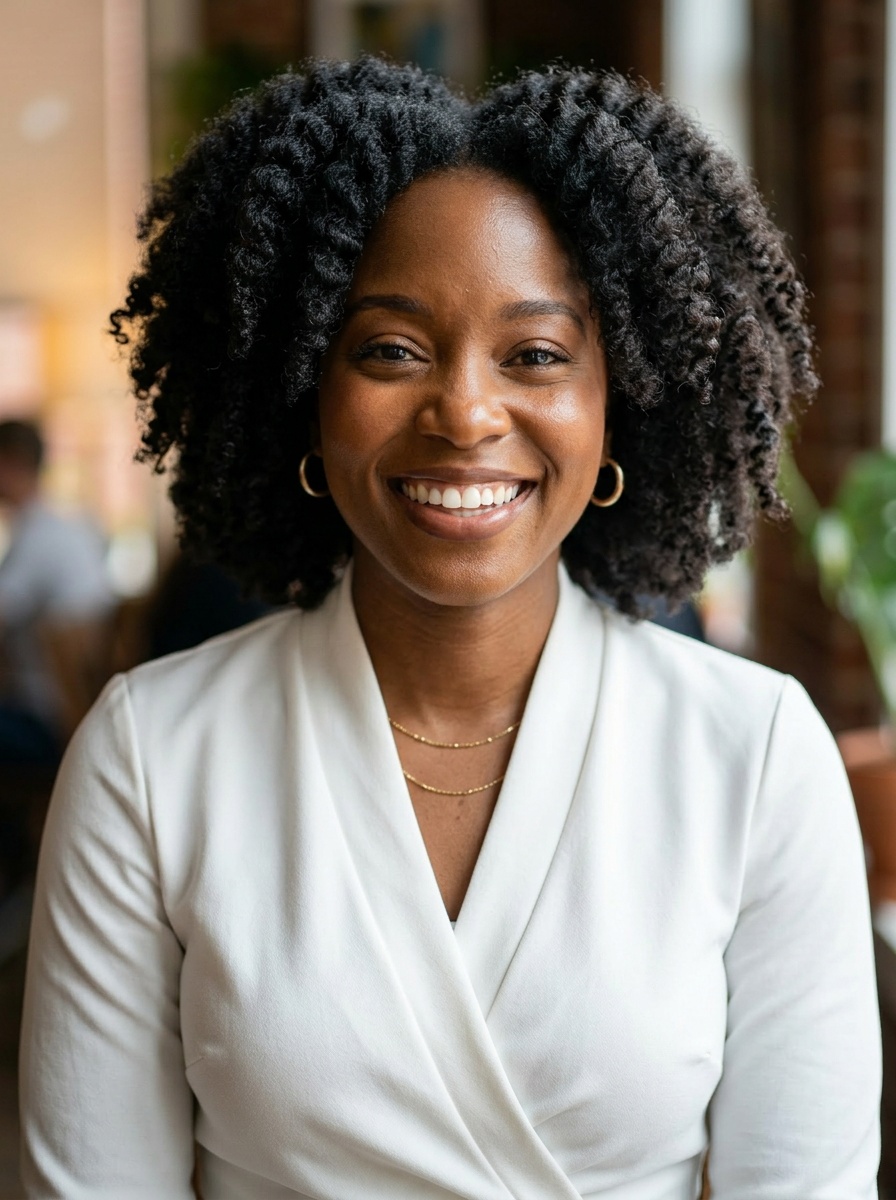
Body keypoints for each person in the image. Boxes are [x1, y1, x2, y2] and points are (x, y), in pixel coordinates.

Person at [19, 58, 880, 1198]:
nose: (465, 412)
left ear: (615, 398)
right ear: (301, 391)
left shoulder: (754, 754)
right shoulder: (151, 757)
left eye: (534, 355)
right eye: (390, 349)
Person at [0, 419, 112, 765]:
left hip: (51, 720)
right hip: (83, 715)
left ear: (11, 464)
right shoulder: (72, 527)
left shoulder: (38, 539)